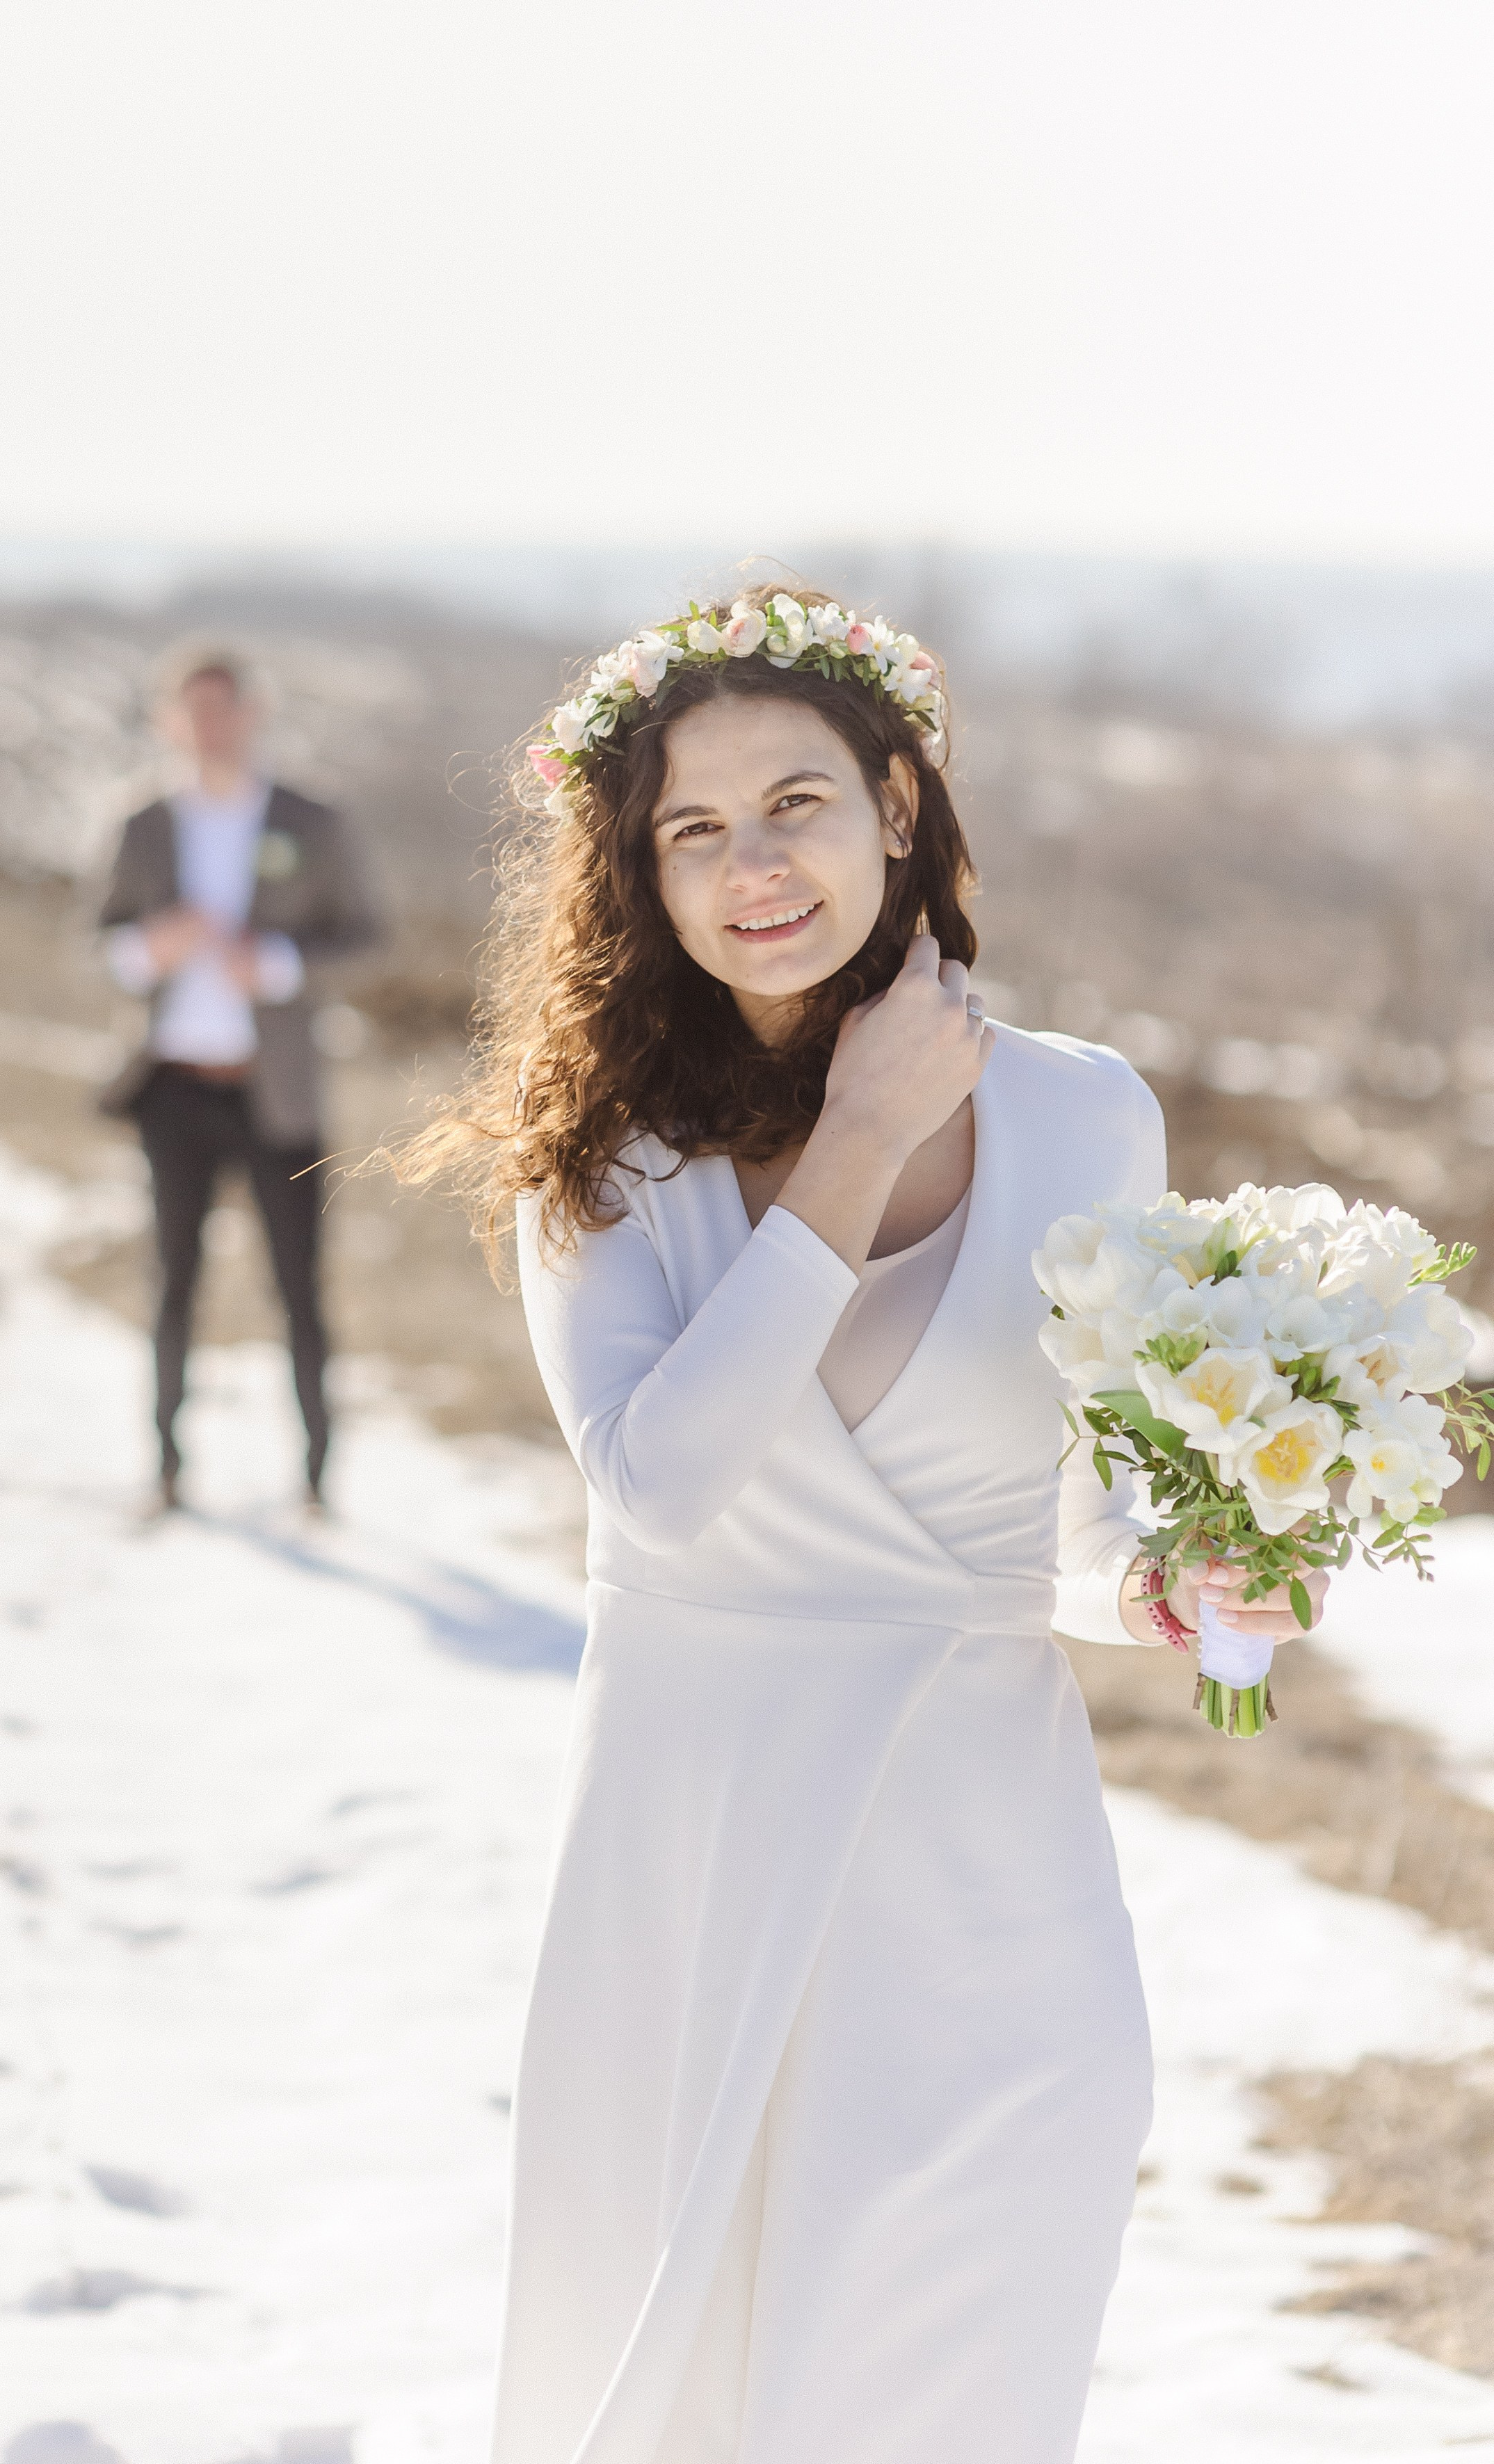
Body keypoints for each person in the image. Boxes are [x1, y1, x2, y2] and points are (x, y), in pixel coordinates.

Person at [395, 581, 1329, 2463]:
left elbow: (1060, 1518)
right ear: (637, 874)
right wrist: (859, 1134)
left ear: (897, 804)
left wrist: (1166, 1580)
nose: (751, 864)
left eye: (795, 801)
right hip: (700, 1862)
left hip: (990, 1890)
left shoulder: (1087, 1117)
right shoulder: (600, 1163)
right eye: (691, 827)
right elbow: (657, 1477)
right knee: (686, 2388)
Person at [98, 641, 380, 1511]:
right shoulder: (143, 823)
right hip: (174, 1089)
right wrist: (153, 947)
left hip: (278, 1092)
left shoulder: (311, 819)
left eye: (225, 708)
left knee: (299, 1288)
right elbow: (100, 944)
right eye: (193, 710)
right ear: (168, 721)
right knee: (172, 1282)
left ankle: (317, 1480)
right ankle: (167, 1473)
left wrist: (284, 965)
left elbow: (369, 936)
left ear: (252, 713)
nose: (210, 727)